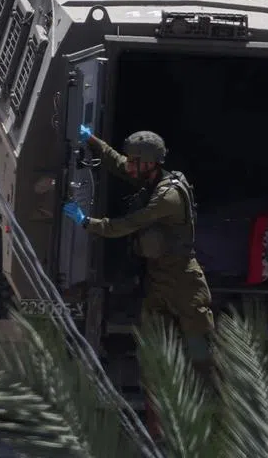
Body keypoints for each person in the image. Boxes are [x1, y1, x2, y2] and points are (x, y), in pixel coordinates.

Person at [62, 126, 214, 373]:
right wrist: (91, 140)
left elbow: (127, 224)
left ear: (149, 164)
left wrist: (87, 222)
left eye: (134, 161)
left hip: (183, 281)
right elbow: (118, 163)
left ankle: (208, 393)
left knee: (199, 349)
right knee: (154, 349)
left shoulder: (167, 197)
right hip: (158, 278)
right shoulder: (151, 177)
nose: (129, 166)